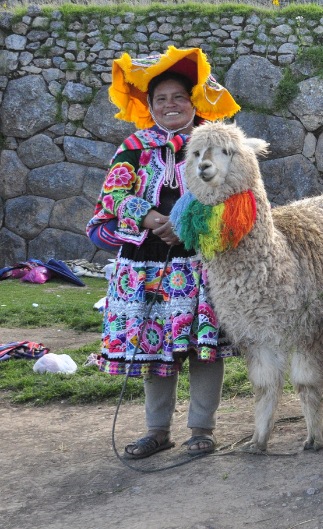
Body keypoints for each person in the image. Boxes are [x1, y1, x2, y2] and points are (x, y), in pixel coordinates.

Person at [87, 47, 241, 459]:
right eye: (161, 99)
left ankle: (202, 429)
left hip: (200, 262)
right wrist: (153, 217)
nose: (170, 105)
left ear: (193, 101)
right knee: (154, 347)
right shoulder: (134, 147)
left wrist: (186, 224)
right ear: (150, 105)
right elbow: (114, 195)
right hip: (145, 268)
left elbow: (236, 195)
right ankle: (157, 431)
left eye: (179, 97)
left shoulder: (215, 142)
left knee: (201, 347)